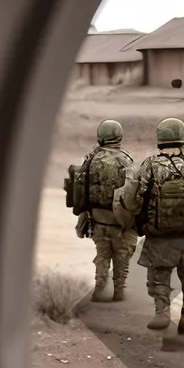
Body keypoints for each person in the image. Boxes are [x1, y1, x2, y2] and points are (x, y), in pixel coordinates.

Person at [113, 117, 184, 333]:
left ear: (160, 140)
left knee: (159, 275)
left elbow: (130, 201)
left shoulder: (149, 165)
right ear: (183, 140)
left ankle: (161, 313)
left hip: (159, 235)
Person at [78, 119, 136, 303]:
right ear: (119, 136)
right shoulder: (126, 159)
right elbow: (133, 191)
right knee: (121, 255)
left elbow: (81, 185)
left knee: (102, 254)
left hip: (97, 218)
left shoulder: (91, 158)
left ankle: (99, 289)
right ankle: (119, 291)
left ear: (100, 137)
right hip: (120, 220)